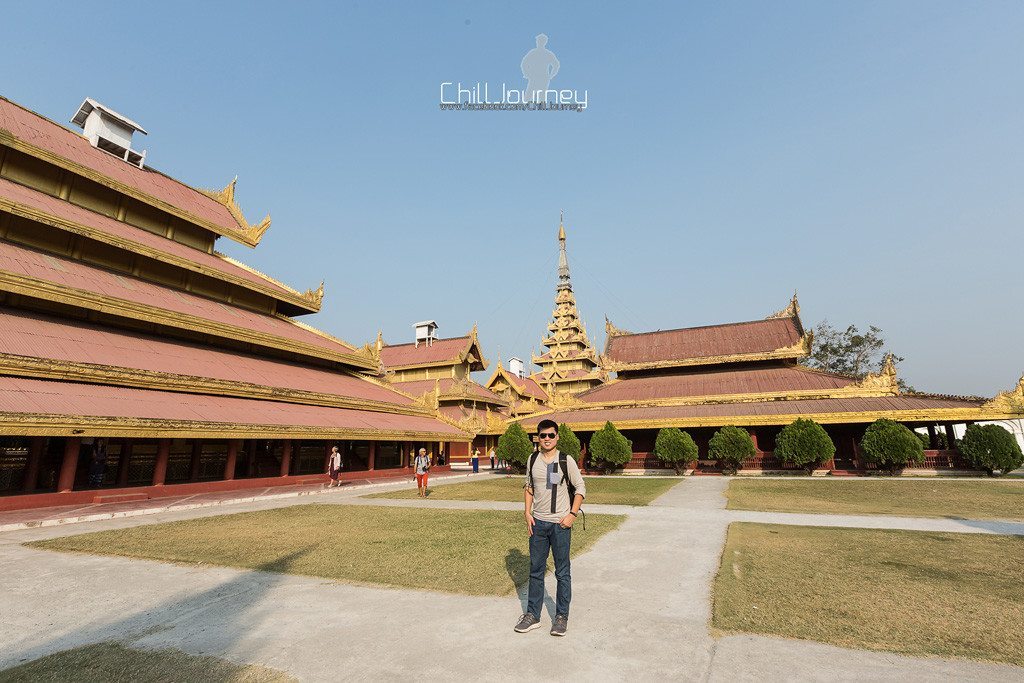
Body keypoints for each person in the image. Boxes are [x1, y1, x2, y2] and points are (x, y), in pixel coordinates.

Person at [514, 419, 585, 637]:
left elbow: (580, 487)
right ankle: (533, 615)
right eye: (542, 435)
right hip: (539, 523)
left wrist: (572, 515)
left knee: (562, 572)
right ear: (537, 438)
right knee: (536, 570)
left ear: (557, 437)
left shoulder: (566, 460)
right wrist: (527, 513)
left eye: (550, 435)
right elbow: (529, 487)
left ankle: (561, 617)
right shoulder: (532, 459)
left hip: (560, 525)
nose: (546, 439)